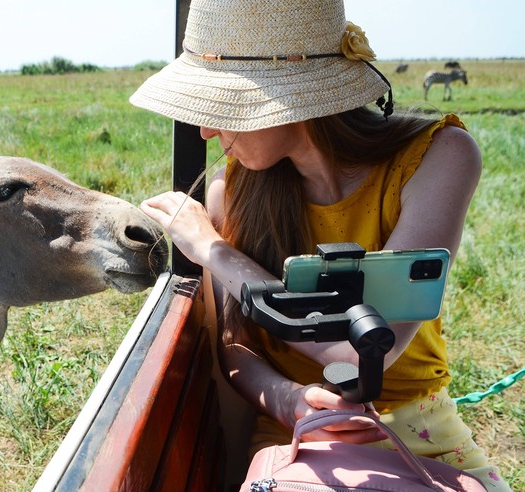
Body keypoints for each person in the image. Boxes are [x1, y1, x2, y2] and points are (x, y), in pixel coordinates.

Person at [132, 0, 510, 489]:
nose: (206, 129)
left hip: (424, 431)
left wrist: (217, 252)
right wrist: (288, 399)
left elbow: (368, 349)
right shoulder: (233, 192)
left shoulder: (437, 157)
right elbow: (235, 347)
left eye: (224, 106)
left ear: (285, 96)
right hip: (296, 436)